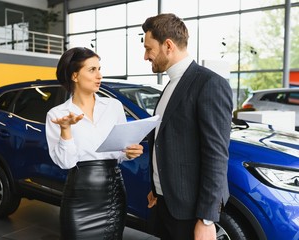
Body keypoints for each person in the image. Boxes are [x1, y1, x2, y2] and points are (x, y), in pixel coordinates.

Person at [142, 13, 233, 240]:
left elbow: (216, 155)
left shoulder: (209, 83)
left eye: (149, 48)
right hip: (166, 203)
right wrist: (157, 188)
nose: (145, 56)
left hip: (191, 212)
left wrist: (207, 219)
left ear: (168, 46)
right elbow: (168, 142)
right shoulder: (171, 86)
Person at [45, 47, 143, 240]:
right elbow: (65, 163)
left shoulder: (113, 106)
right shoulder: (57, 115)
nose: (99, 75)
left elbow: (120, 149)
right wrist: (66, 130)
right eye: (92, 70)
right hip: (78, 196)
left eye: (99, 68)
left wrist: (129, 152)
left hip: (112, 194)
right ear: (75, 76)